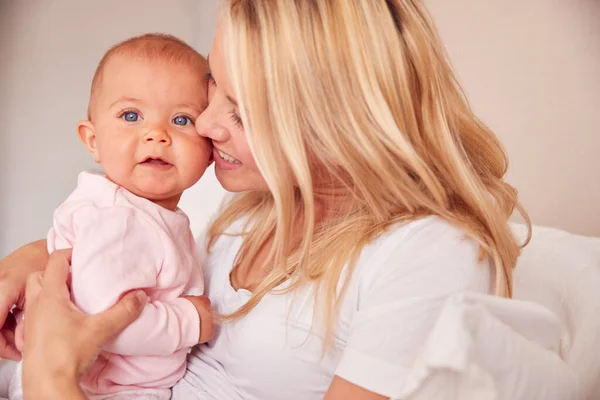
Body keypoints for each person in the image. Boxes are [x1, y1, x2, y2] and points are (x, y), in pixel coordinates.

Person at [0, 1, 530, 399]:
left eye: (241, 112)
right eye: (213, 93)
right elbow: (120, 234)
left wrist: (51, 373)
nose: (205, 126)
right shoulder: (243, 197)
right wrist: (24, 265)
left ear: (338, 125)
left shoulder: (426, 255)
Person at [2, 34, 214, 400]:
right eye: (131, 116)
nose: (156, 134)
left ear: (210, 148)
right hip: (105, 389)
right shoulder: (121, 219)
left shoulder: (135, 211)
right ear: (93, 139)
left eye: (182, 119)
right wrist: (190, 322)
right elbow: (101, 322)